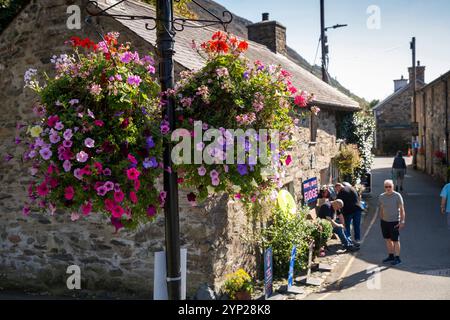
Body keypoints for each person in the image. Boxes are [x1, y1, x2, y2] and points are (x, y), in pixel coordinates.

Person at [378, 180, 406, 266]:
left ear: (393, 187)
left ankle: (397, 258)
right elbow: (381, 208)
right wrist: (381, 219)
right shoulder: (381, 196)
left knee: (396, 240)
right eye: (386, 187)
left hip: (394, 221)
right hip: (384, 222)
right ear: (384, 187)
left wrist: (402, 221)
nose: (388, 188)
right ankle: (391, 256)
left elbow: (402, 209)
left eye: (390, 186)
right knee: (387, 239)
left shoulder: (397, 196)